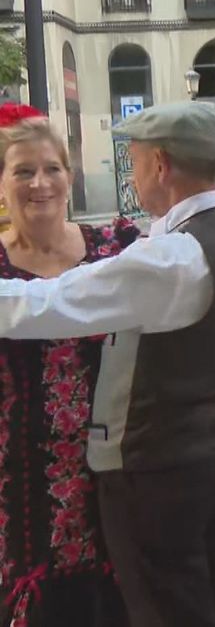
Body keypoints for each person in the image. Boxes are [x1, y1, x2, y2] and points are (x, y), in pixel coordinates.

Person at [0, 101, 215, 626]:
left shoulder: (167, 258)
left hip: (158, 477)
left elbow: (50, 302)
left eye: (134, 160)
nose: (132, 171)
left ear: (161, 166)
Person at [0, 103, 134, 626]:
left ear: (69, 176)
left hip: (111, 473)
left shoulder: (114, 250)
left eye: (52, 168)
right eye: (23, 171)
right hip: (18, 482)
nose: (40, 183)